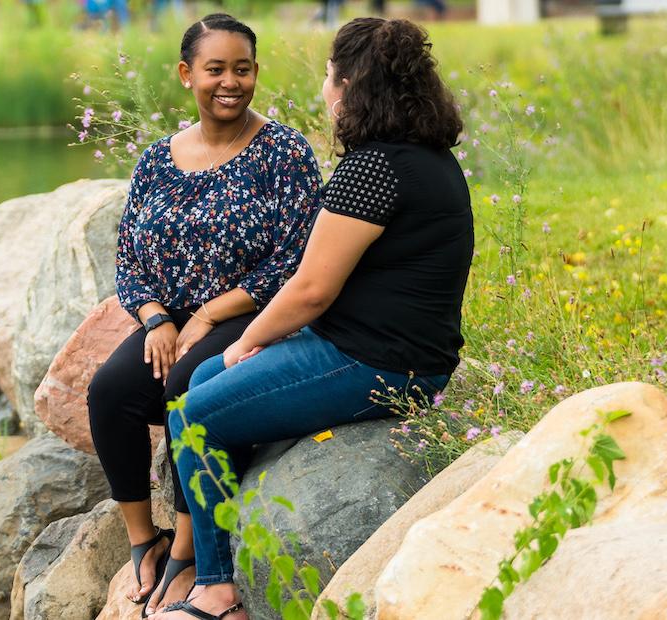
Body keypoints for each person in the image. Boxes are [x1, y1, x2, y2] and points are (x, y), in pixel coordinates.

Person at [152, 17, 471, 620]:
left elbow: (310, 290)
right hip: (392, 353)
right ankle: (227, 533)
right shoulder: (426, 159)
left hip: (375, 363)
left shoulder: (371, 169)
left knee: (195, 415)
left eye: (329, 75)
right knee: (199, 383)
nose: (324, 88)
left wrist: (246, 341)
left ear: (351, 86)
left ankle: (218, 592)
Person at [86, 13, 322, 620]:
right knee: (110, 391)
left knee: (188, 384)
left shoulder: (284, 151)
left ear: (256, 73)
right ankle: (146, 540)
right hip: (172, 314)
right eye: (216, 69)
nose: (230, 82)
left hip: (252, 310)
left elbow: (297, 257)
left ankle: (187, 551)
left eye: (242, 69)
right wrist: (155, 315)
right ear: (187, 74)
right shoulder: (156, 160)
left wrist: (212, 312)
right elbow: (130, 255)